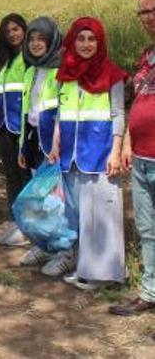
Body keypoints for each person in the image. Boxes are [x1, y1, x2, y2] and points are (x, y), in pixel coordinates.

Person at [54, 17, 127, 290]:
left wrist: (116, 151)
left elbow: (118, 113)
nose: (86, 45)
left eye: (92, 39)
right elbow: (63, 113)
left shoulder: (112, 73)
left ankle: (106, 274)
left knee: (103, 215)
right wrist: (55, 144)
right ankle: (87, 268)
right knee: (82, 215)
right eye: (81, 39)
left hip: (100, 153)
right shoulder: (66, 74)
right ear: (72, 41)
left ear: (100, 42)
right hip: (72, 155)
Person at [110, 0, 155, 315]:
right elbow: (137, 101)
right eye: (144, 11)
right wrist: (126, 142)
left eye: (154, 10)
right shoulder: (146, 57)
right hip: (140, 159)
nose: (149, 17)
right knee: (147, 230)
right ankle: (150, 292)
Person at [13, 17, 67, 274]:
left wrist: (60, 144)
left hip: (55, 145)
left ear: (52, 40)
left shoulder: (63, 70)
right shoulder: (30, 70)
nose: (35, 44)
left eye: (40, 39)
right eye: (31, 39)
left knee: (57, 201)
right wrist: (23, 146)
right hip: (35, 142)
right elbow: (27, 111)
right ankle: (44, 244)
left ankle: (65, 251)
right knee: (37, 198)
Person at [0, 14, 32, 247]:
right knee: (11, 176)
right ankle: (15, 220)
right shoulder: (4, 61)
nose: (12, 34)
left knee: (26, 175)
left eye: (16, 29)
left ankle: (29, 225)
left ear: (24, 30)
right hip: (5, 127)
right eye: (8, 31)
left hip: (25, 128)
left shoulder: (31, 59)